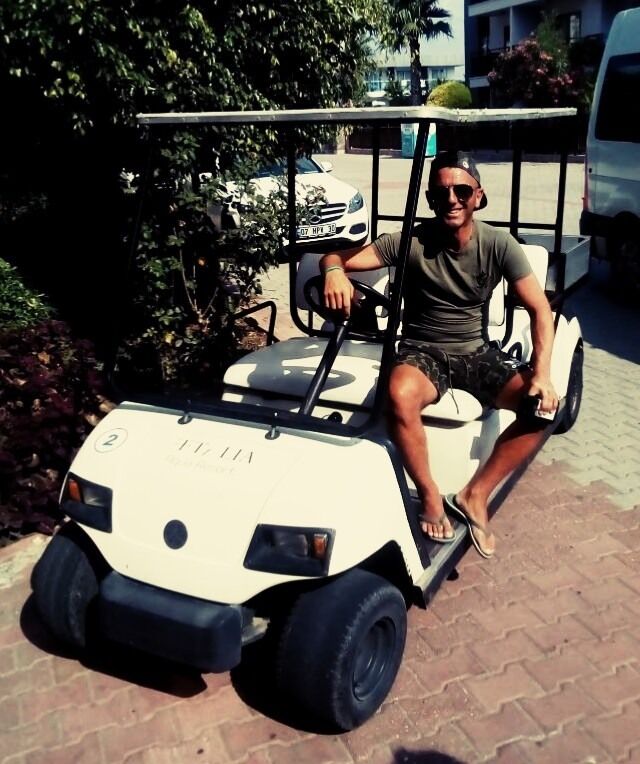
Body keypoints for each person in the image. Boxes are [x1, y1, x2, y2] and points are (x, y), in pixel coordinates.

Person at [320, 150, 558, 559]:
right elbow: (336, 256)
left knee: (544, 409)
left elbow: (540, 310)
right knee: (398, 394)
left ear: (478, 196)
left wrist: (542, 375)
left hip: (476, 352)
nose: (451, 199)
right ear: (430, 198)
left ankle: (475, 495)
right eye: (441, 192)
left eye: (461, 190)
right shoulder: (409, 241)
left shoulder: (499, 244)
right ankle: (429, 494)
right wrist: (333, 272)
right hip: (422, 351)